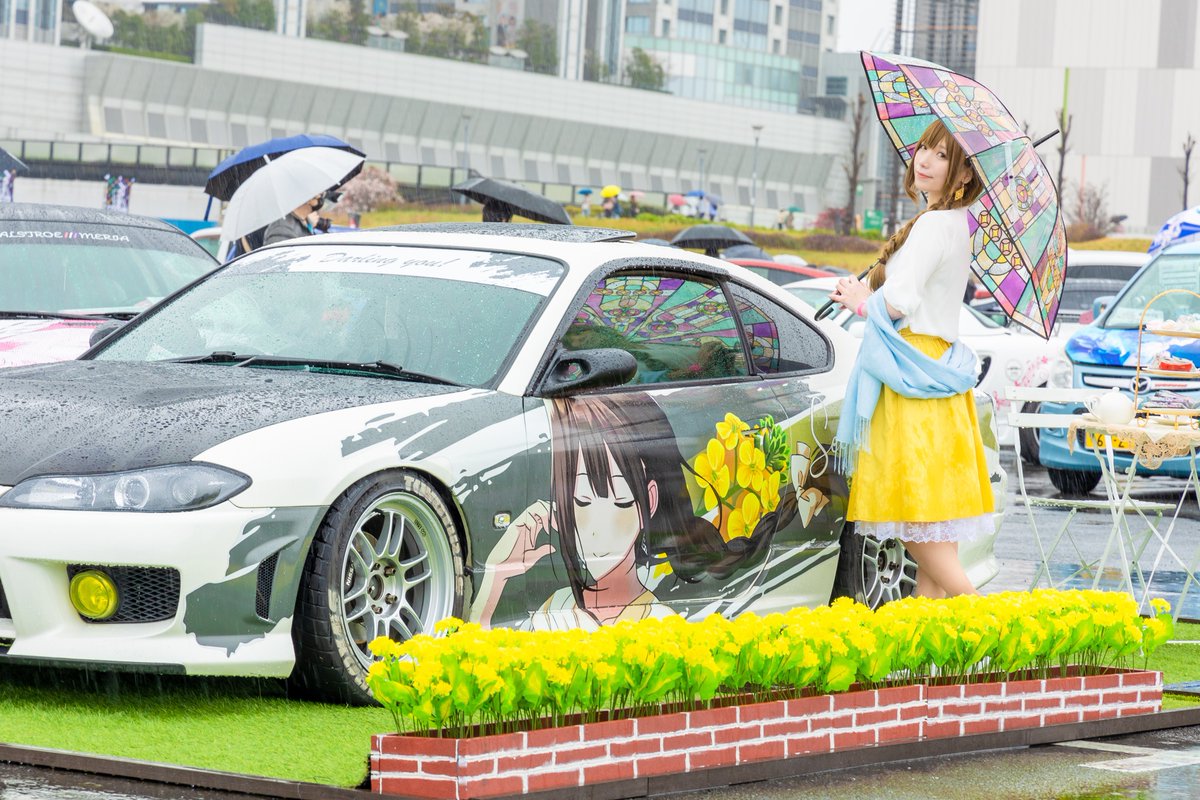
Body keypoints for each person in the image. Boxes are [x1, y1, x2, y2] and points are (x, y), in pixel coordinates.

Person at [825, 119, 992, 599]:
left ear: (964, 174)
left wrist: (861, 301)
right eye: (925, 148)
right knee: (933, 549)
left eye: (943, 156)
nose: (926, 160)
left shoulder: (935, 225)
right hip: (933, 372)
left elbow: (899, 303)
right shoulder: (952, 223)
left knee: (916, 524)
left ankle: (990, 622)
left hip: (910, 372)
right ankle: (931, 645)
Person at [470, 392, 792, 630]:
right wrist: (497, 574)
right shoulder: (557, 607)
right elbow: (479, 660)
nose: (597, 527)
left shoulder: (657, 622)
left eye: (619, 500)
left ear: (648, 502)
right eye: (581, 500)